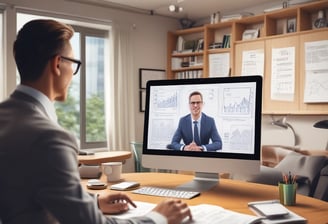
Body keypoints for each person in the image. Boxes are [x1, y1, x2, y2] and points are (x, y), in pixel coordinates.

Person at [0, 19, 192, 224]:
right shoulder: (49, 138)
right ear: (57, 64)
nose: (73, 75)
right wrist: (158, 217)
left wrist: (93, 201)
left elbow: (27, 192)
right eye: (73, 64)